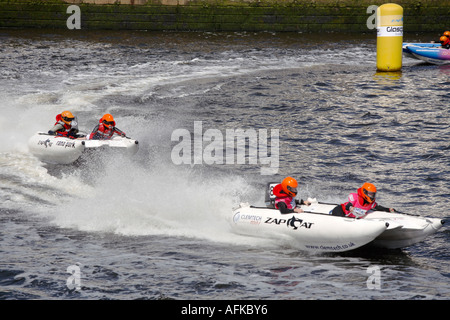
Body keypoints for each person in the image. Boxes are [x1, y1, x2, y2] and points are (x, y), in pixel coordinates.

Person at [331, 182, 395, 218]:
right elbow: (348, 206)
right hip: (340, 211)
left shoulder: (371, 204)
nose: (372, 196)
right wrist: (350, 207)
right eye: (370, 194)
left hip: (350, 218)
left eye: (373, 194)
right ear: (364, 192)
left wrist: (389, 209)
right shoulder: (355, 196)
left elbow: (378, 207)